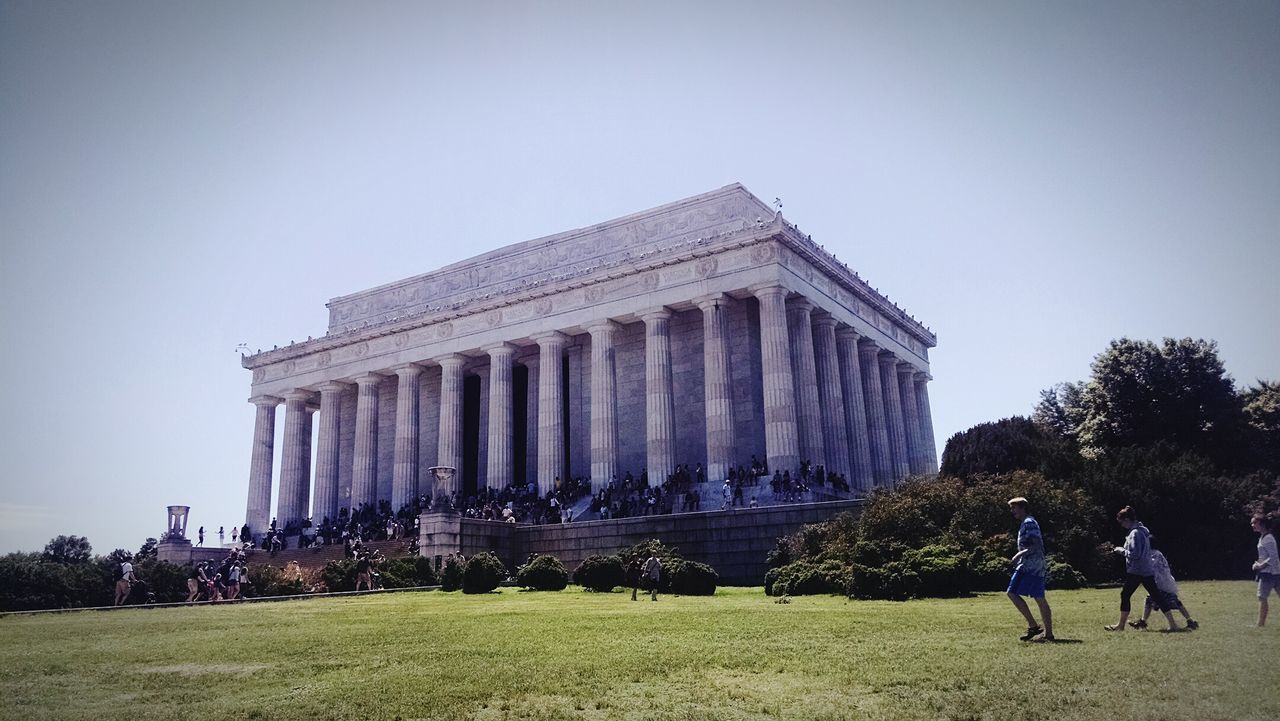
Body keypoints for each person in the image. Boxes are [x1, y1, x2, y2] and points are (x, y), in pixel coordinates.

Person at [1106, 506, 1177, 632]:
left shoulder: (1135, 533)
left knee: (1125, 594)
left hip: (1137, 570)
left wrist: (1120, 550)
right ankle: (1173, 624)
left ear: (1127, 519)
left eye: (1122, 522)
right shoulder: (1142, 531)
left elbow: (1135, 554)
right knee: (1157, 596)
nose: (1121, 525)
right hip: (1146, 569)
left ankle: (1120, 626)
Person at [1005, 497, 1054, 641]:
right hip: (1028, 563)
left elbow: (1037, 544)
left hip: (1032, 565)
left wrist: (1019, 554)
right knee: (1016, 593)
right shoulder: (1025, 523)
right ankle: (1038, 628)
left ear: (1022, 508)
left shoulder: (1029, 523)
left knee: (1034, 597)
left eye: (1014, 508)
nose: (1012, 511)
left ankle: (1044, 631)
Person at [1129, 537, 1198, 630]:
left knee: (1163, 602)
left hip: (1162, 584)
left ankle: (1145, 622)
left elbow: (1150, 565)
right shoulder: (1156, 553)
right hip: (1165, 583)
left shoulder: (1154, 554)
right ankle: (1190, 621)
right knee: (1170, 602)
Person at [1252, 513, 1279, 626]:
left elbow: (1273, 557)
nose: (1252, 525)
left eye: (1254, 523)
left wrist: (1260, 566)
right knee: (1262, 597)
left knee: (1262, 597)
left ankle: (1260, 624)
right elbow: (1266, 556)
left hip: (1269, 573)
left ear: (1262, 524)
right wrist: (1258, 564)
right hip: (1272, 572)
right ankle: (1260, 624)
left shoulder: (1268, 538)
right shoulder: (1263, 537)